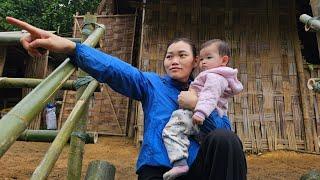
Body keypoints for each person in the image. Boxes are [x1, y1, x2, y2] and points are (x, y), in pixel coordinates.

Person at [6, 17, 247, 180]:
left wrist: (197, 105)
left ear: (196, 61)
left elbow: (221, 134)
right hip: (159, 170)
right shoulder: (152, 84)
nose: (174, 60)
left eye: (182, 55)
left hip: (197, 170)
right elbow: (116, 70)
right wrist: (71, 47)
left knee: (226, 139)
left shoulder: (211, 92)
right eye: (169, 56)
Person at [162, 39, 243, 180]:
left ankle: (179, 162)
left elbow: (209, 97)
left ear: (224, 60)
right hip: (202, 118)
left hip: (198, 113)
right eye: (202, 59)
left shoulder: (214, 77)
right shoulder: (212, 76)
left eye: (209, 58)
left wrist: (199, 110)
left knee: (171, 131)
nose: (203, 62)